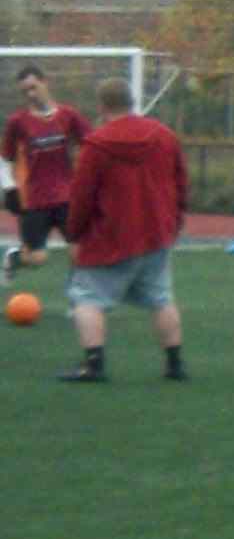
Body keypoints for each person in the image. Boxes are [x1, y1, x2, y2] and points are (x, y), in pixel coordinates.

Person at [55, 78, 185, 384]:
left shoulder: (97, 145)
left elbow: (82, 195)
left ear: (102, 107)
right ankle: (175, 363)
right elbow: (180, 182)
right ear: (132, 101)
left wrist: (74, 233)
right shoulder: (164, 136)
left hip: (110, 236)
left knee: (87, 297)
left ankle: (94, 364)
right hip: (156, 233)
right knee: (161, 298)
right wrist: (174, 222)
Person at [5, 66, 82, 273]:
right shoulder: (17, 122)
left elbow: (91, 145)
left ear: (45, 82)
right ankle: (15, 257)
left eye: (33, 87)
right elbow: (4, 158)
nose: (31, 94)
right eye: (25, 91)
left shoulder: (69, 115)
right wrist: (9, 187)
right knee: (37, 258)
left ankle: (81, 299)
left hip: (67, 196)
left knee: (80, 251)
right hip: (35, 200)